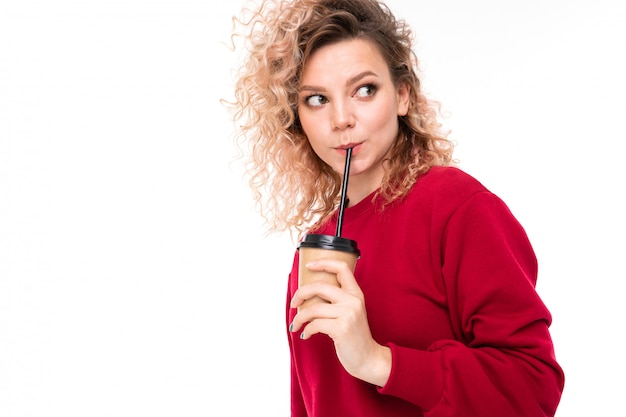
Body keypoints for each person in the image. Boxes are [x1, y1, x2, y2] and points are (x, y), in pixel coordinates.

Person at [227, 0, 565, 415]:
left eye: (364, 90)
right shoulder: (314, 252)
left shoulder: (458, 209)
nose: (341, 118)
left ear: (403, 95)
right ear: (296, 116)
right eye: (316, 99)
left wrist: (376, 360)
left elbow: (532, 388)